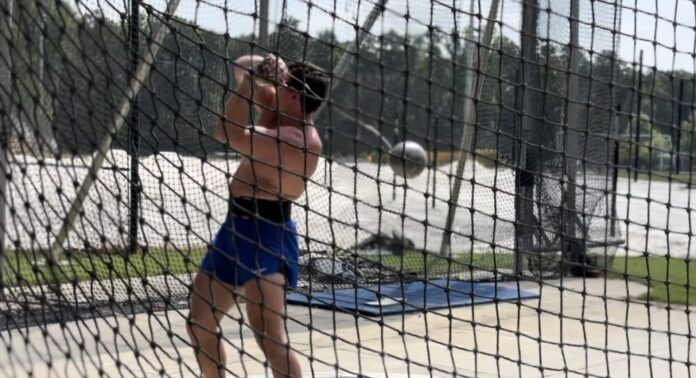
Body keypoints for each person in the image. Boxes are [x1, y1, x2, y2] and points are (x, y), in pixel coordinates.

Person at [187, 55, 328, 378]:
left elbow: (227, 133)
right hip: (235, 229)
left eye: (282, 84)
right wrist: (269, 65)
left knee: (269, 338)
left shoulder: (299, 142)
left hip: (268, 238)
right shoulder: (281, 107)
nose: (274, 88)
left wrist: (251, 84)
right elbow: (240, 64)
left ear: (293, 95)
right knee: (200, 323)